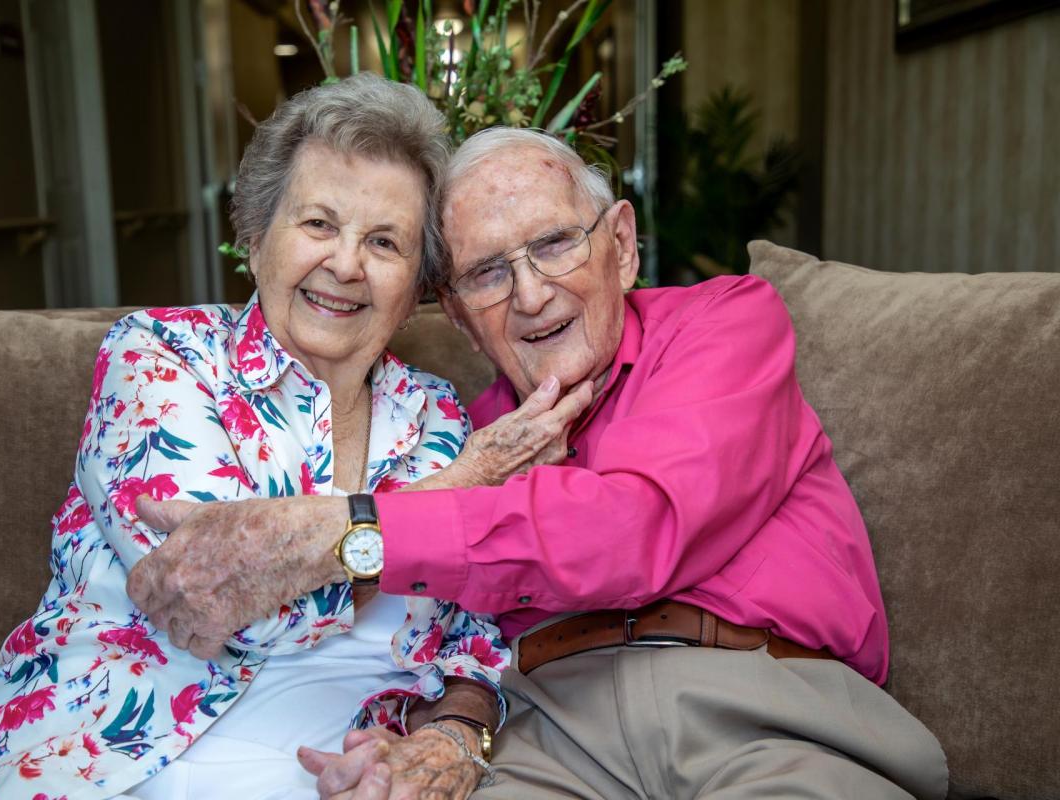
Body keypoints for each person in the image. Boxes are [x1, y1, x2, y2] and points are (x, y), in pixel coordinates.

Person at [129, 127, 949, 800]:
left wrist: (347, 532)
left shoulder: (723, 327)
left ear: (621, 247)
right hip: (549, 732)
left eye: (555, 243)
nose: (530, 295)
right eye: (488, 271)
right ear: (453, 311)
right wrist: (446, 735)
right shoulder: (459, 436)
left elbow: (630, 532)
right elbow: (452, 649)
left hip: (764, 710)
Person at [0, 76, 585, 800]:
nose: (347, 264)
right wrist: (455, 490)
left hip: (332, 770)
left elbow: (476, 639)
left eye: (384, 242)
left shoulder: (441, 420)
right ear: (256, 239)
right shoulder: (161, 359)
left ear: (417, 286)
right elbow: (226, 603)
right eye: (319, 225)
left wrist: (447, 737)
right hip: (105, 758)